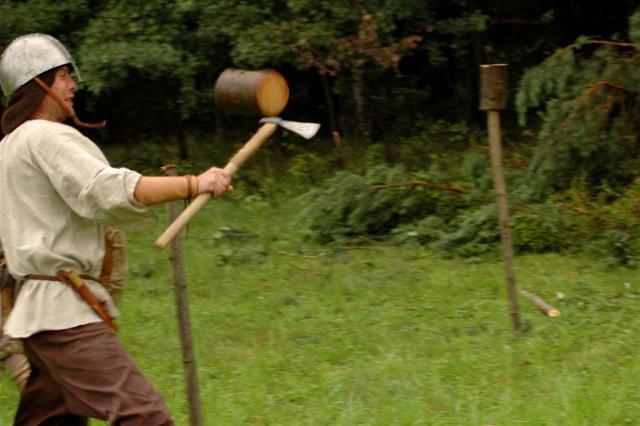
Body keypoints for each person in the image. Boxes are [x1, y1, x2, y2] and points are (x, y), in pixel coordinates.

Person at [0, 33, 232, 425]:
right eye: (62, 76)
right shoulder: (43, 136)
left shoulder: (9, 147)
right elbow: (106, 190)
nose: (73, 85)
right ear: (37, 83)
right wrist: (195, 183)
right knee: (145, 417)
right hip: (60, 315)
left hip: (39, 316)